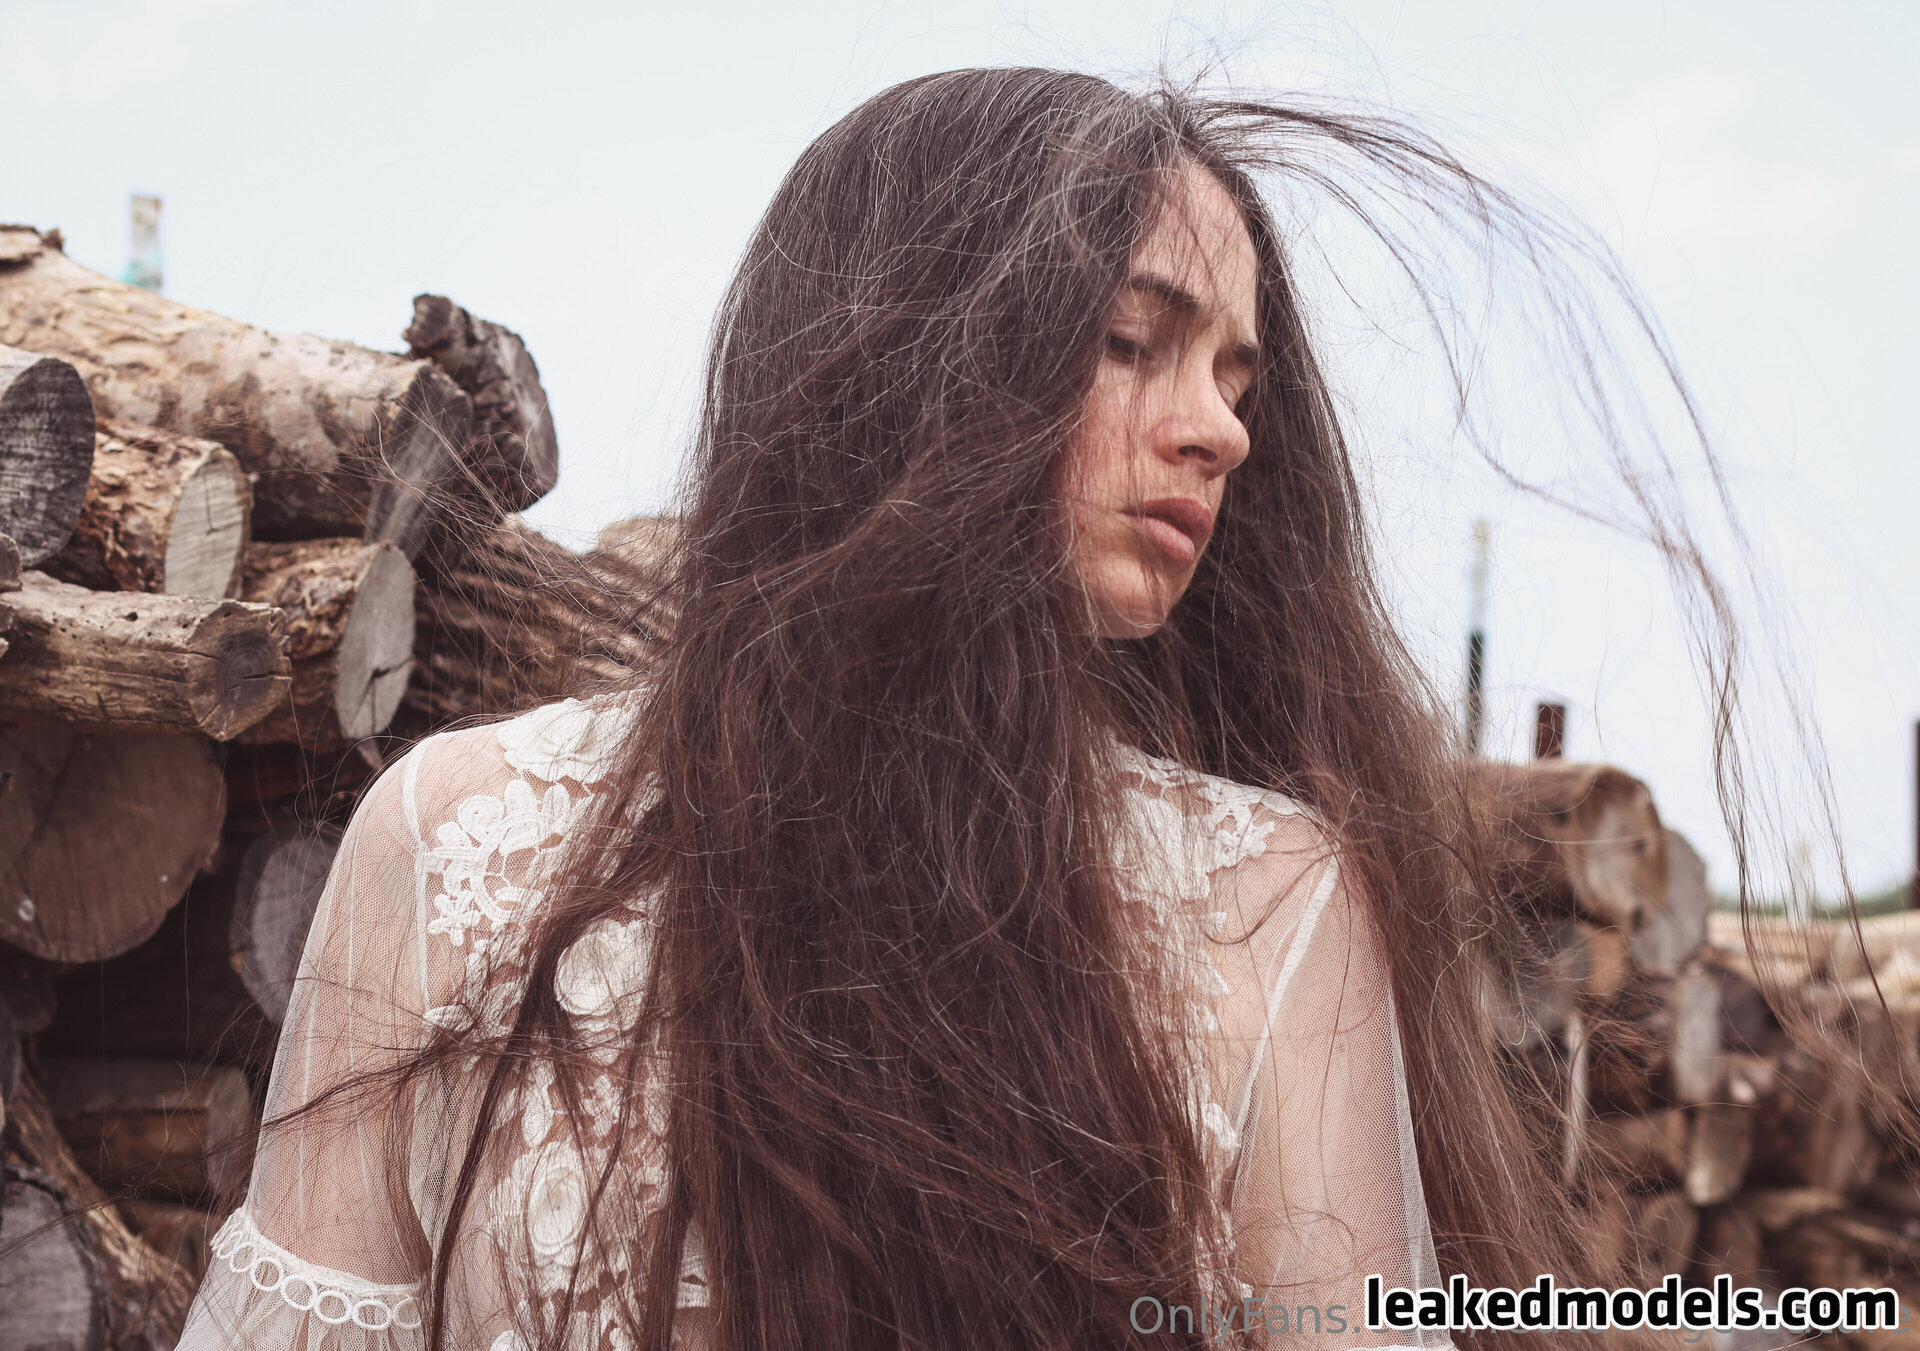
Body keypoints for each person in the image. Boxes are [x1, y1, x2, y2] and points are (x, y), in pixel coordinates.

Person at [175, 68, 1640, 1351]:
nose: (1221, 428)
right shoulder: (459, 843)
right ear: (898, 350)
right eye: (1135, 341)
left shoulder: (1266, 902)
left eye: (1233, 375)